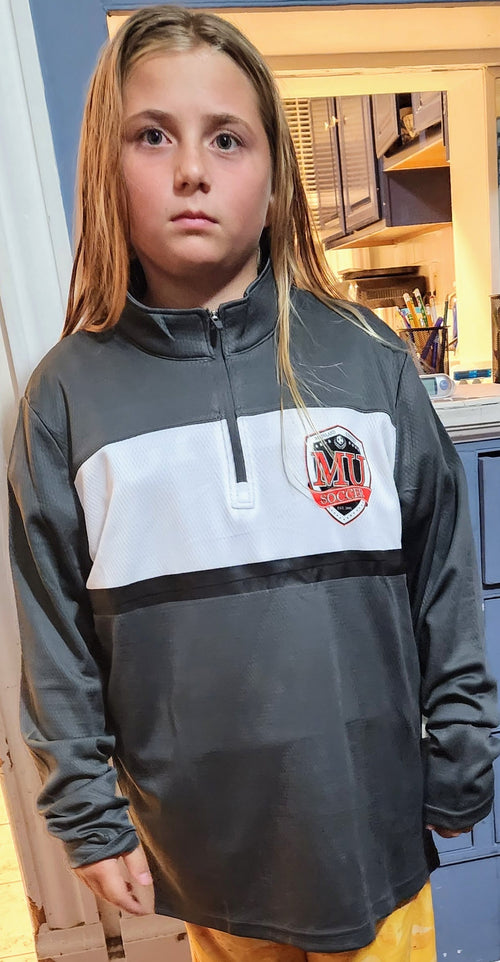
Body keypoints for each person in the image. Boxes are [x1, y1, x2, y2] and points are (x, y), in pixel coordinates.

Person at [8, 6, 499, 961]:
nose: (192, 169)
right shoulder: (65, 400)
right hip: (210, 870)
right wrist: (87, 814)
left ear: (275, 179)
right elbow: (55, 637)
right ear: (106, 168)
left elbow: (444, 578)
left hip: (375, 850)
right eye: (153, 136)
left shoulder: (367, 362)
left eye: (227, 138)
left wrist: (463, 747)